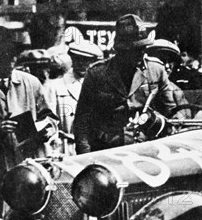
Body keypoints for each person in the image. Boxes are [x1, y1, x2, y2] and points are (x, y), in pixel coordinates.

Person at [0, 26, 58, 215]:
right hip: (1, 177)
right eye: (2, 56)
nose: (10, 61)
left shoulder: (31, 83)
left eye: (12, 55)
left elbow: (50, 118)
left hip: (35, 170)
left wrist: (47, 129)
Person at [74, 14, 179, 154]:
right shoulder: (97, 74)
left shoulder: (156, 71)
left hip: (147, 150)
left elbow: (173, 115)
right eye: (134, 50)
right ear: (120, 50)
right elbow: (82, 122)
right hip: (107, 151)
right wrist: (86, 157)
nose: (140, 54)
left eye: (143, 48)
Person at [46, 40, 104, 154]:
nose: (82, 64)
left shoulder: (100, 85)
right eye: (78, 59)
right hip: (67, 148)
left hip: (94, 147)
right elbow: (50, 123)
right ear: (72, 58)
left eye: (87, 60)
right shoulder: (56, 86)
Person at [145, 39, 190, 118]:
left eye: (171, 61)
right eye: (161, 60)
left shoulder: (177, 90)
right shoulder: (143, 85)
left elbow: (185, 119)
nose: (167, 66)